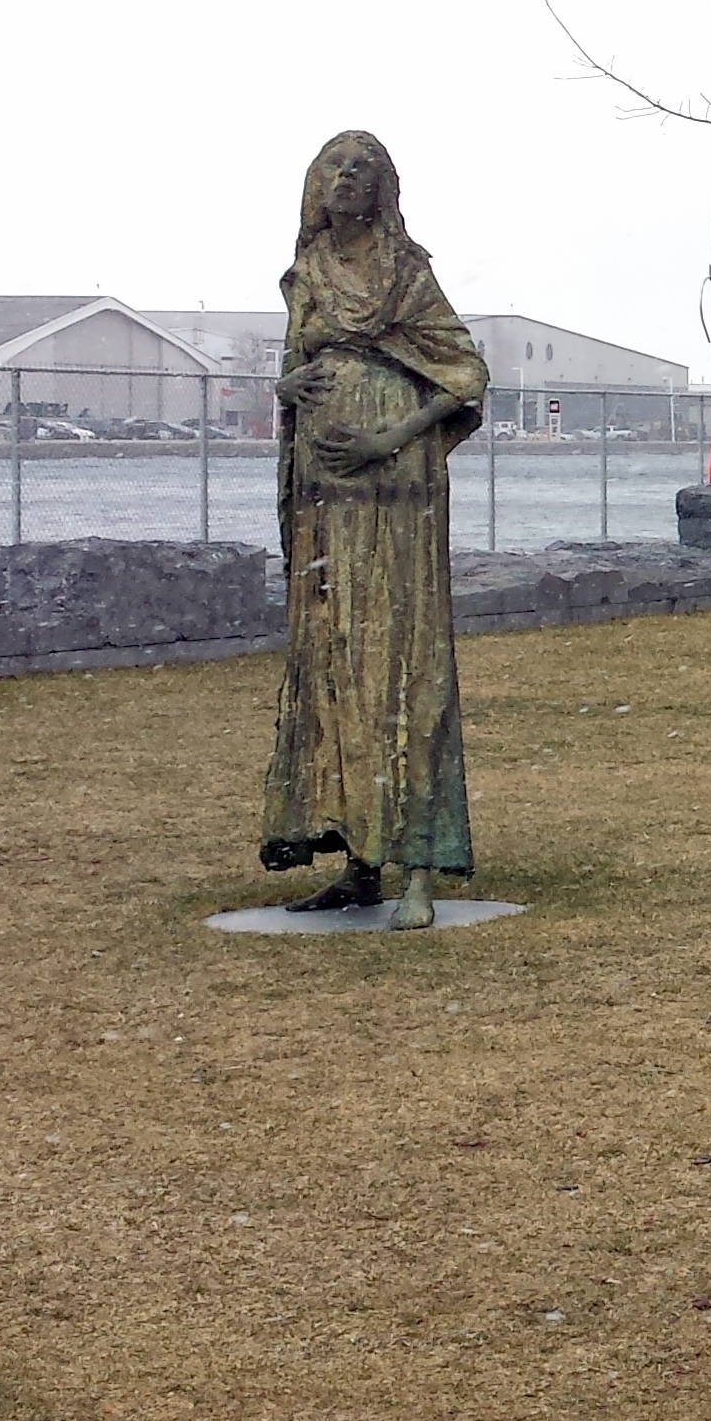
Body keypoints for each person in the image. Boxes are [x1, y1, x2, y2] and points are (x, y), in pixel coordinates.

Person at [262, 131, 489, 930]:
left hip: (396, 494)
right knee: (336, 659)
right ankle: (359, 857)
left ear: (383, 186)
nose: (344, 179)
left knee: (402, 659)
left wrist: (388, 439)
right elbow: (294, 363)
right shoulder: (306, 274)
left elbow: (464, 373)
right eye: (332, 166)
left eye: (361, 168)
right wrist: (287, 385)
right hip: (326, 496)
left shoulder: (404, 273)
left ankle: (419, 864)